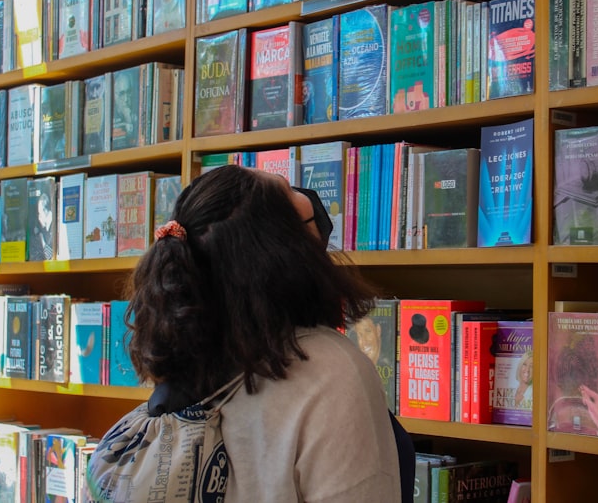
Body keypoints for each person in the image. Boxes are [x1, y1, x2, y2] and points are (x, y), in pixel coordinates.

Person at [124, 165, 404, 501]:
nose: (308, 197)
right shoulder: (333, 371)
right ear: (282, 251)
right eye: (288, 191)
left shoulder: (193, 353)